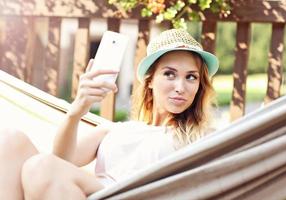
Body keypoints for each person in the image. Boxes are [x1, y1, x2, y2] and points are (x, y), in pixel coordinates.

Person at [0, 28, 218, 200]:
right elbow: (60, 163)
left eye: (191, 77)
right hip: (86, 192)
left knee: (40, 167)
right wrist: (76, 111)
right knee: (11, 141)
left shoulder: (201, 136)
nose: (181, 86)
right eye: (170, 74)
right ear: (149, 80)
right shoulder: (113, 130)